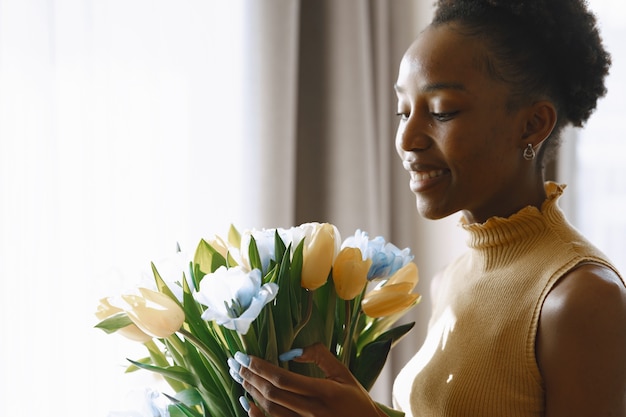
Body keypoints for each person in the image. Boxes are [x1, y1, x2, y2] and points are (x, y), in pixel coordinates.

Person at [231, 0, 626, 415]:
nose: (406, 139)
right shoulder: (451, 280)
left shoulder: (582, 298)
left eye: (441, 112)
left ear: (532, 125)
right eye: (403, 112)